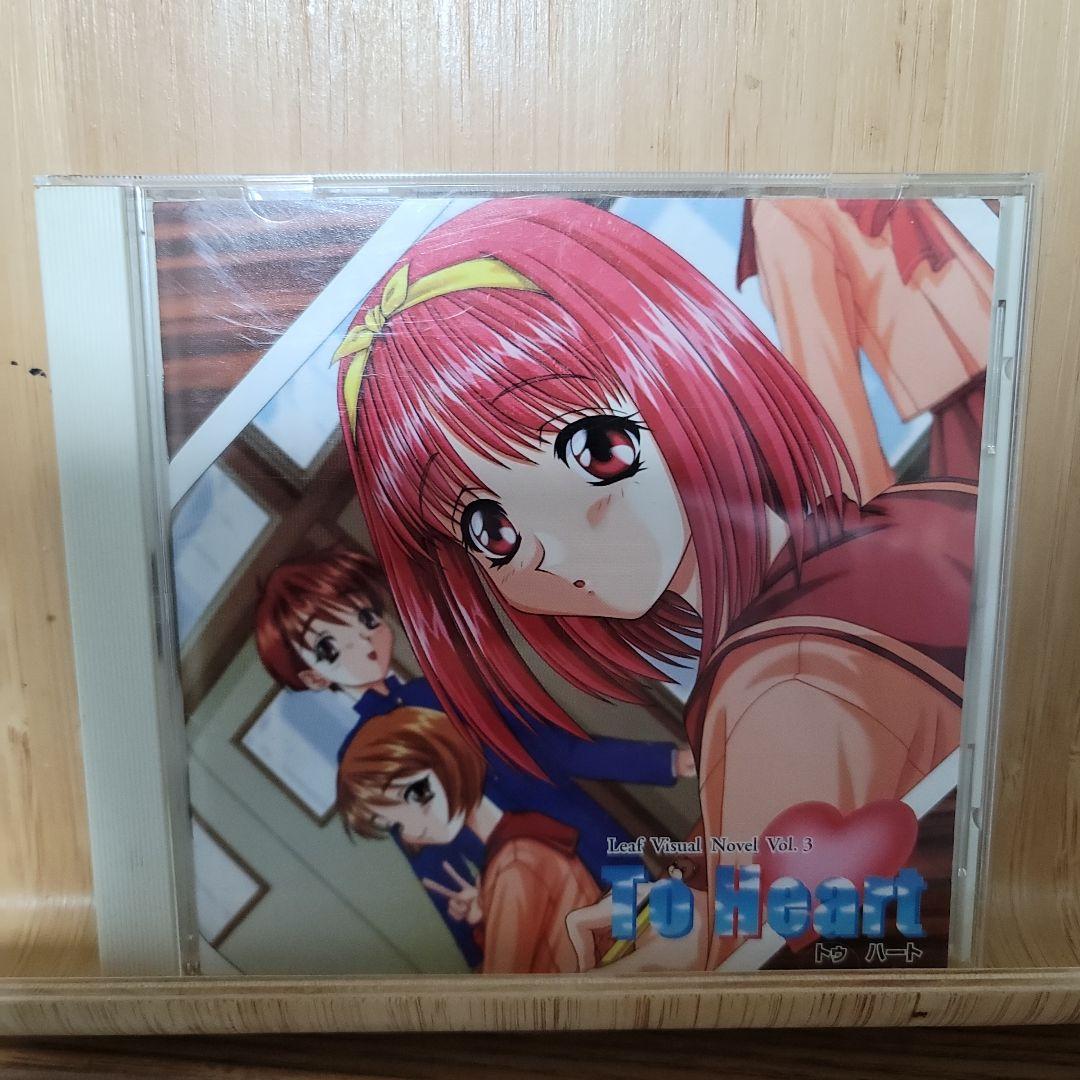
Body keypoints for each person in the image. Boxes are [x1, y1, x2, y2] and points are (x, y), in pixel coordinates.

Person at [334, 197, 976, 968]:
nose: (550, 547)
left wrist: (689, 948)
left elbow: (766, 956)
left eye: (593, 449)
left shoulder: (782, 683)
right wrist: (697, 908)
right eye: (490, 530)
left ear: (681, 368)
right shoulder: (901, 530)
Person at [254, 545, 694, 968]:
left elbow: (554, 746)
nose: (361, 642)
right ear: (312, 676)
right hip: (515, 879)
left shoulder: (447, 687)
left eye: (366, 618)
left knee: (662, 939)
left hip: (583, 833)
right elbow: (426, 853)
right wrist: (477, 951)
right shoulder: (365, 754)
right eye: (330, 647)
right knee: (594, 963)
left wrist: (666, 762)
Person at [737, 198, 994, 499]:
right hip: (970, 398)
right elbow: (823, 375)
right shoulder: (781, 210)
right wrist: (868, 506)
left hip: (1003, 356)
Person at [337, 705, 599, 974]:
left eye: (417, 794)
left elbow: (502, 989)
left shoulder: (515, 863)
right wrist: (486, 914)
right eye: (396, 823)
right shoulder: (510, 851)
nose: (415, 827)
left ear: (451, 757)